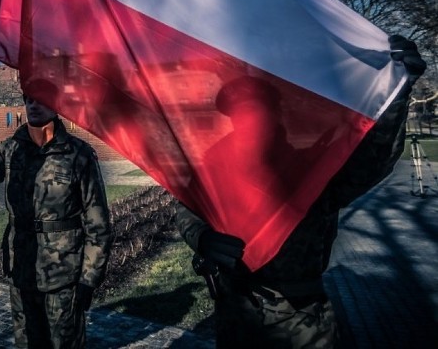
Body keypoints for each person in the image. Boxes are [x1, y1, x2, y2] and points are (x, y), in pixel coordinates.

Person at [176, 35, 426, 348]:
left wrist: (397, 92)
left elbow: (371, 161)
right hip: (235, 313)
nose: (249, 119)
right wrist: (201, 236)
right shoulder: (214, 164)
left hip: (300, 317)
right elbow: (186, 207)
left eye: (257, 109)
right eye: (240, 111)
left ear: (276, 113)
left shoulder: (310, 166)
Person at [0, 82, 113, 348]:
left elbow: (98, 223)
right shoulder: (9, 150)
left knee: (64, 343)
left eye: (41, 99)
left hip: (64, 271)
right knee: (26, 342)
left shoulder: (77, 154)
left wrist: (89, 278)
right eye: (28, 99)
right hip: (22, 267)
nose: (33, 105)